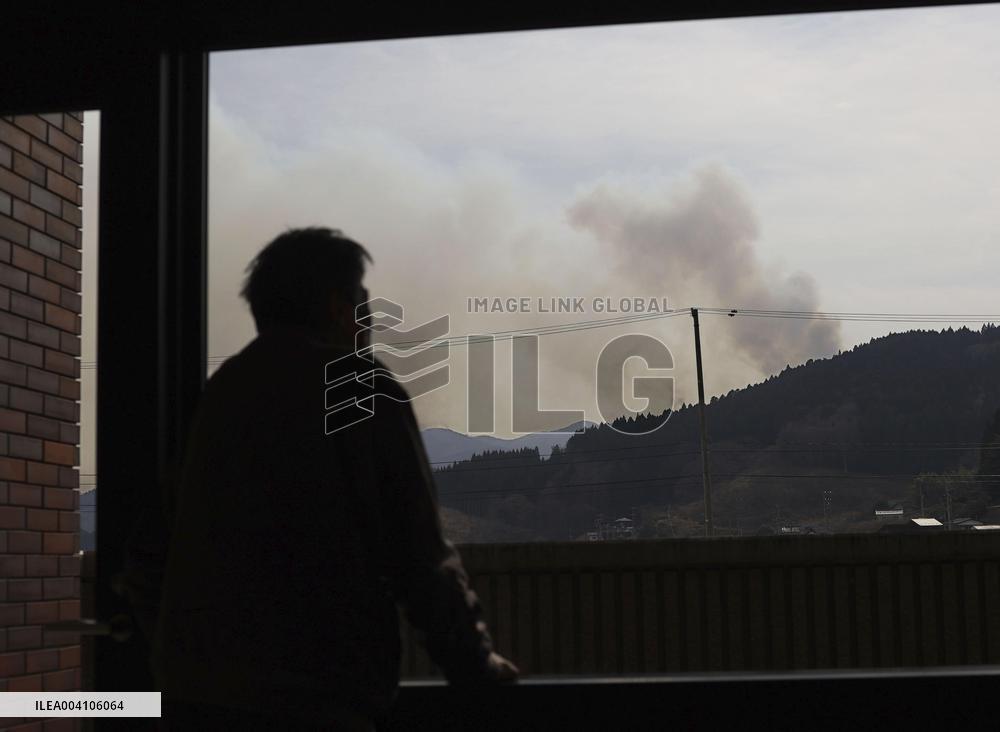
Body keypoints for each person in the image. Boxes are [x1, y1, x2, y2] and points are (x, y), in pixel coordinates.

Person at [133, 227, 517, 730]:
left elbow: (147, 551)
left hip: (197, 700)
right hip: (318, 699)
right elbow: (419, 555)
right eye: (363, 300)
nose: (371, 315)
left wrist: (178, 659)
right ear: (339, 307)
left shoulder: (220, 395)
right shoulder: (357, 388)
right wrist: (475, 665)